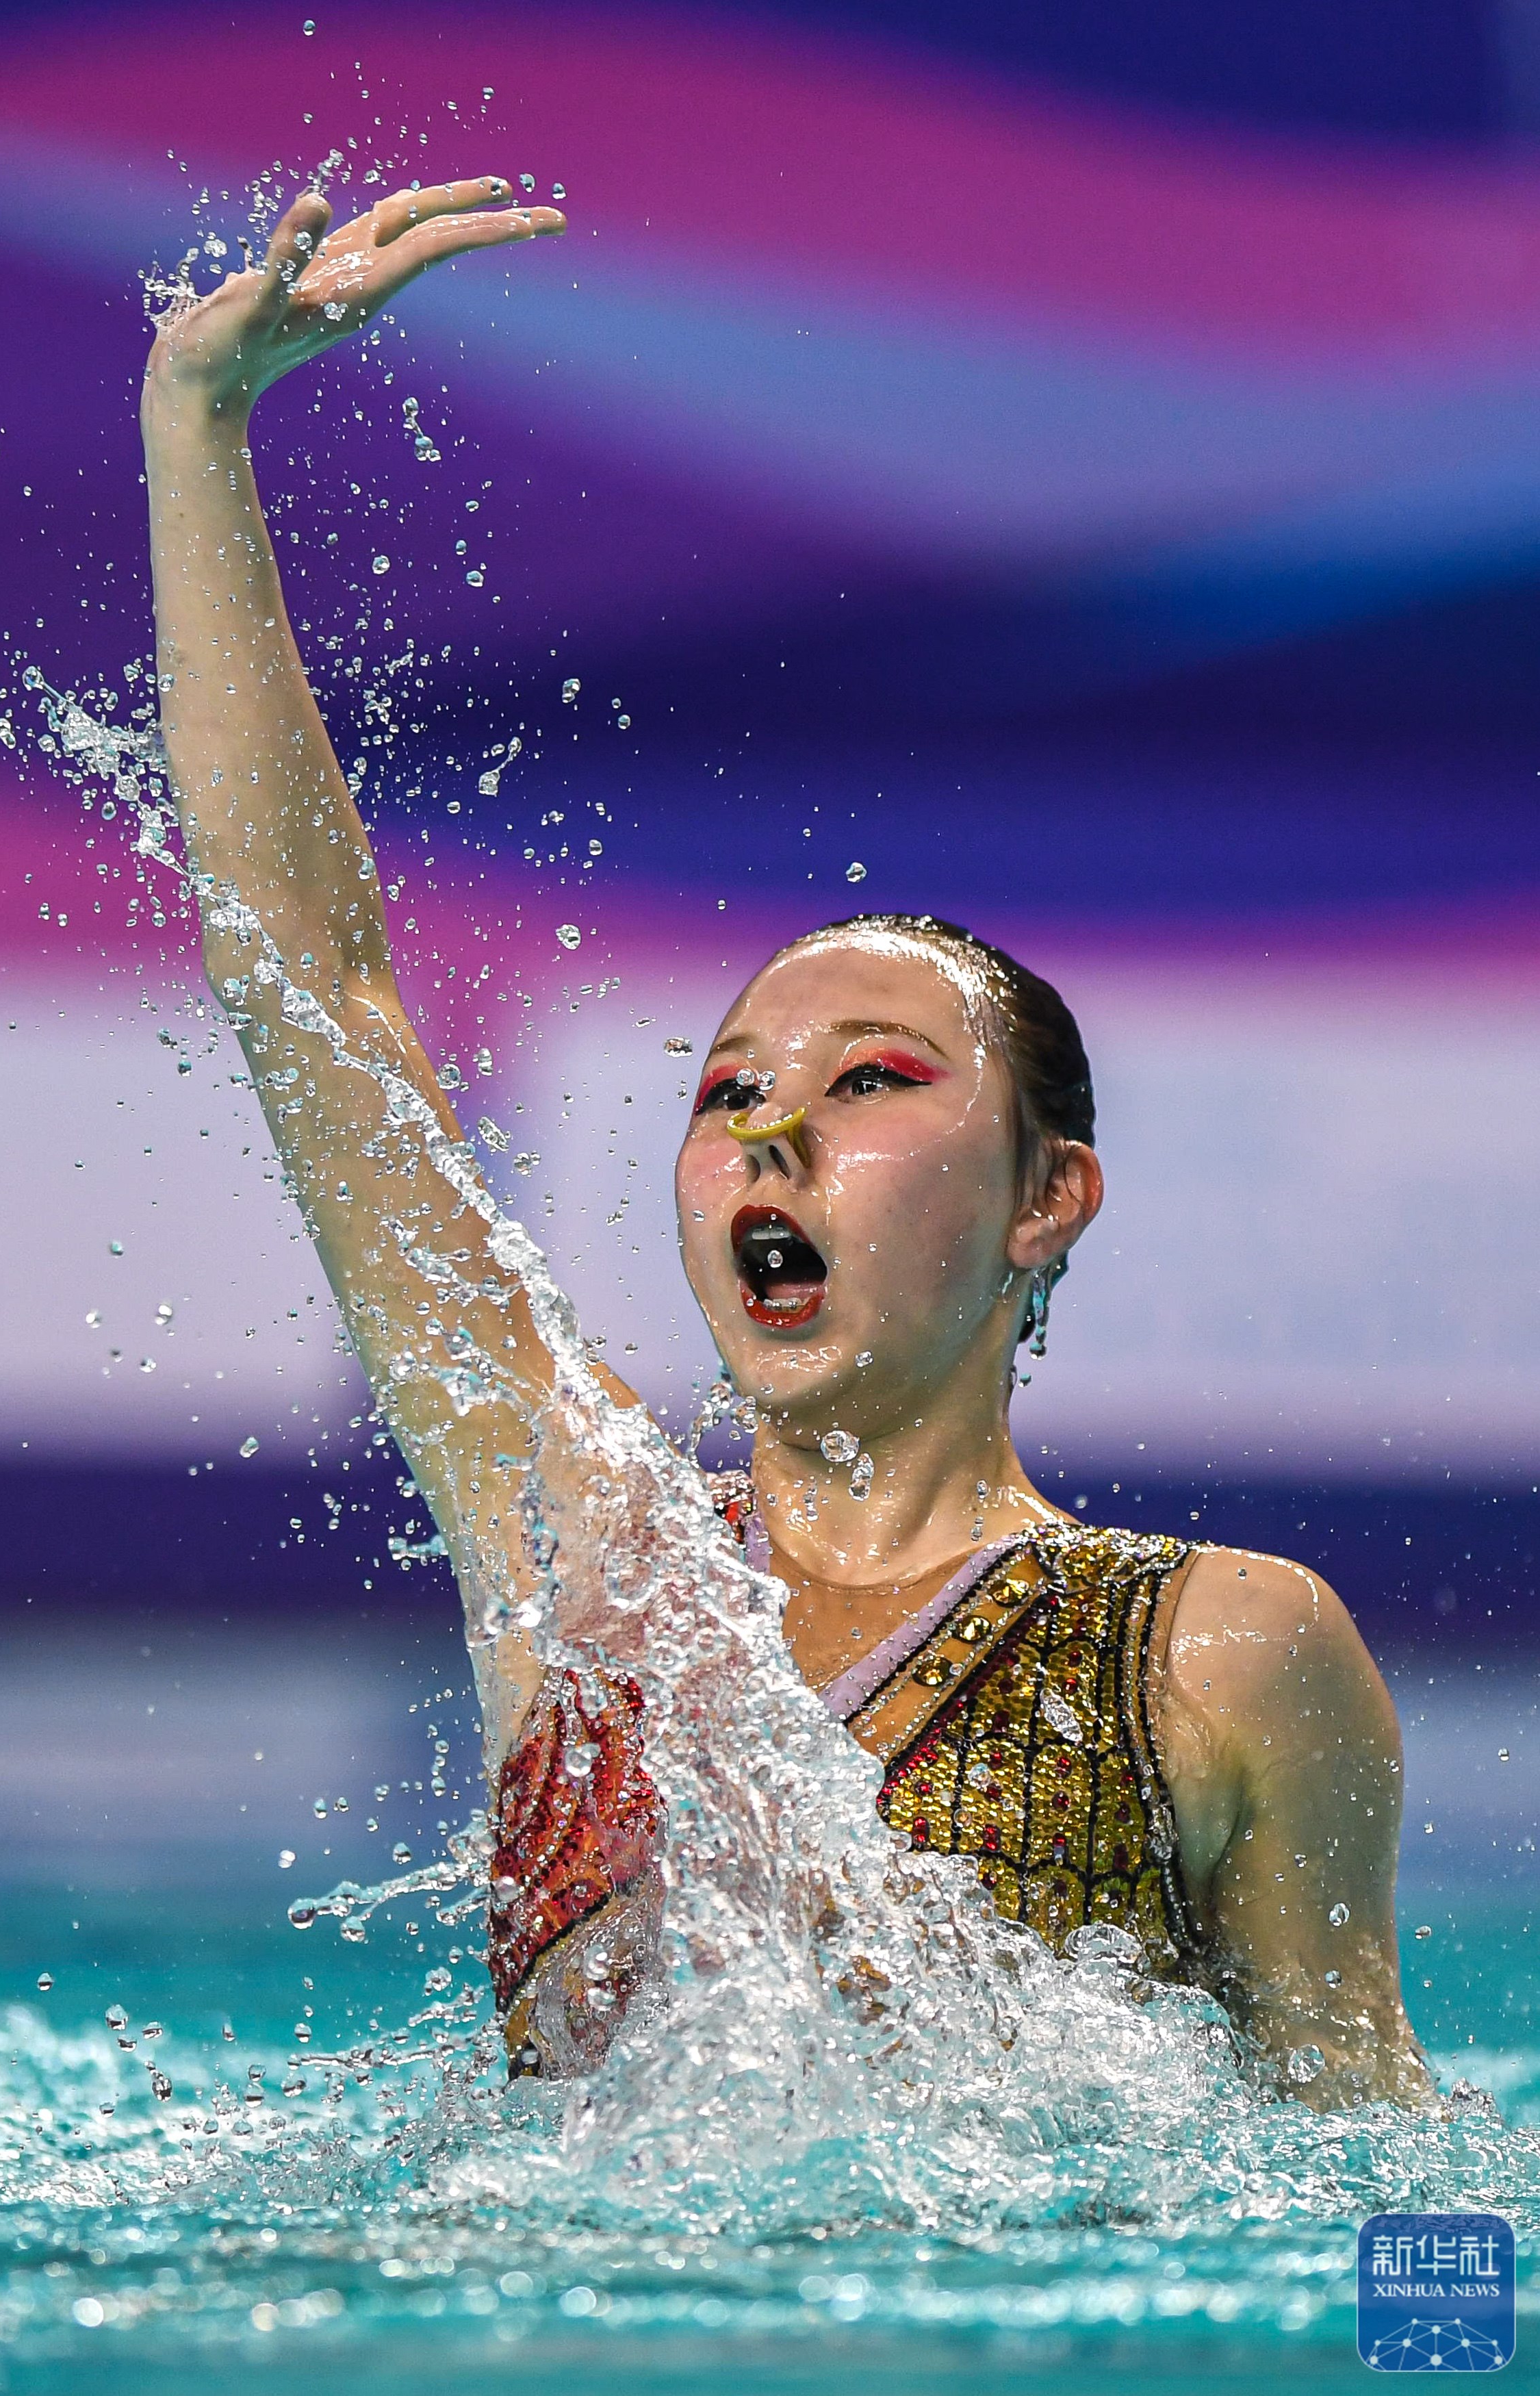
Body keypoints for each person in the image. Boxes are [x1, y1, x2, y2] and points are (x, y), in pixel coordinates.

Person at [142, 180, 1433, 2110]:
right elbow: (315, 984)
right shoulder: (587, 1554)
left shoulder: (1225, 1649)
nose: (773, 1131)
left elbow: (1368, 2162)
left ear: (1047, 1200)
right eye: (730, 1089)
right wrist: (197, 425)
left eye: (872, 1082)